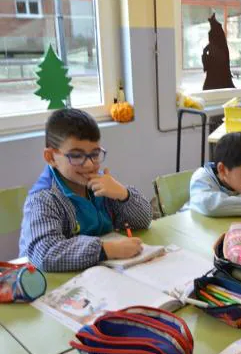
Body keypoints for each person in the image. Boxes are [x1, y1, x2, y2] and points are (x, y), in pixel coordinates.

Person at [19, 108, 152, 272]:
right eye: (76, 156)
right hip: (53, 284)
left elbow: (144, 220)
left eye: (95, 154)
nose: (89, 164)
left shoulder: (102, 184)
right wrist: (107, 250)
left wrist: (123, 194)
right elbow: (46, 253)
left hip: (101, 272)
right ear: (51, 157)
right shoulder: (43, 198)